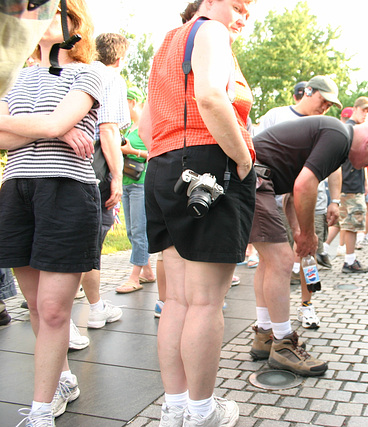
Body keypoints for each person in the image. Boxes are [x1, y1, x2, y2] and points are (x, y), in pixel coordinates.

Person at [139, 0, 258, 425]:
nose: (243, 17)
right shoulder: (211, 32)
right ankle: (203, 411)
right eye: (239, 5)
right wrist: (243, 160)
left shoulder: (166, 45)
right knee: (206, 302)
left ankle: (175, 408)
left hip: (164, 166)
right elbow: (210, 96)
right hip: (210, 163)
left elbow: (144, 125)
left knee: (177, 300)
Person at [0, 1, 103, 424]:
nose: (33, 18)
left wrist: (43, 126)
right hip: (17, 190)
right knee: (37, 308)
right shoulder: (14, 75)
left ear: (72, 23)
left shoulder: (88, 73)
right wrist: (55, 128)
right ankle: (62, 379)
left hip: (67, 192)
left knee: (56, 308)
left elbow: (31, 128)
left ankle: (40, 411)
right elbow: (12, 139)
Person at [248, 115, 368, 375]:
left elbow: (292, 195)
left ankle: (265, 334)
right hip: (254, 179)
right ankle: (282, 344)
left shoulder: (335, 138)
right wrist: (307, 234)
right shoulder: (339, 137)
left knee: (270, 261)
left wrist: (296, 230)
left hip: (255, 178)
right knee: (282, 261)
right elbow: (304, 186)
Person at [256, 75, 342, 330]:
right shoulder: (276, 115)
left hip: (312, 203)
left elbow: (335, 168)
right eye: (323, 100)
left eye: (330, 104)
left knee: (309, 256)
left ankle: (307, 305)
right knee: (271, 260)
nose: (325, 107)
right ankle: (267, 320)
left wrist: (335, 200)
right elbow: (256, 151)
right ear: (307, 92)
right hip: (273, 199)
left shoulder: (329, 125)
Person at [77, 33, 130, 337]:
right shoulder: (112, 78)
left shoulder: (81, 72)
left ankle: (93, 307)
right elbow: (107, 129)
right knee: (88, 243)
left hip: (69, 165)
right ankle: (92, 311)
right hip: (93, 168)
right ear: (120, 59)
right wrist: (117, 177)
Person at [117, 86, 158, 296]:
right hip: (127, 181)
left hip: (141, 182)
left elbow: (155, 152)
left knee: (139, 231)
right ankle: (148, 272)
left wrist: (131, 151)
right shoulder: (129, 127)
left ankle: (134, 277)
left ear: (133, 102)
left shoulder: (146, 125)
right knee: (132, 231)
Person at [324, 96, 368, 266]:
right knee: (352, 222)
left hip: (349, 183)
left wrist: (365, 182)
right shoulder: (353, 130)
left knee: (339, 222)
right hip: (349, 183)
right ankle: (350, 261)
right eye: (363, 110)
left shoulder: (353, 129)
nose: (366, 114)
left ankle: (322, 250)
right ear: (355, 109)